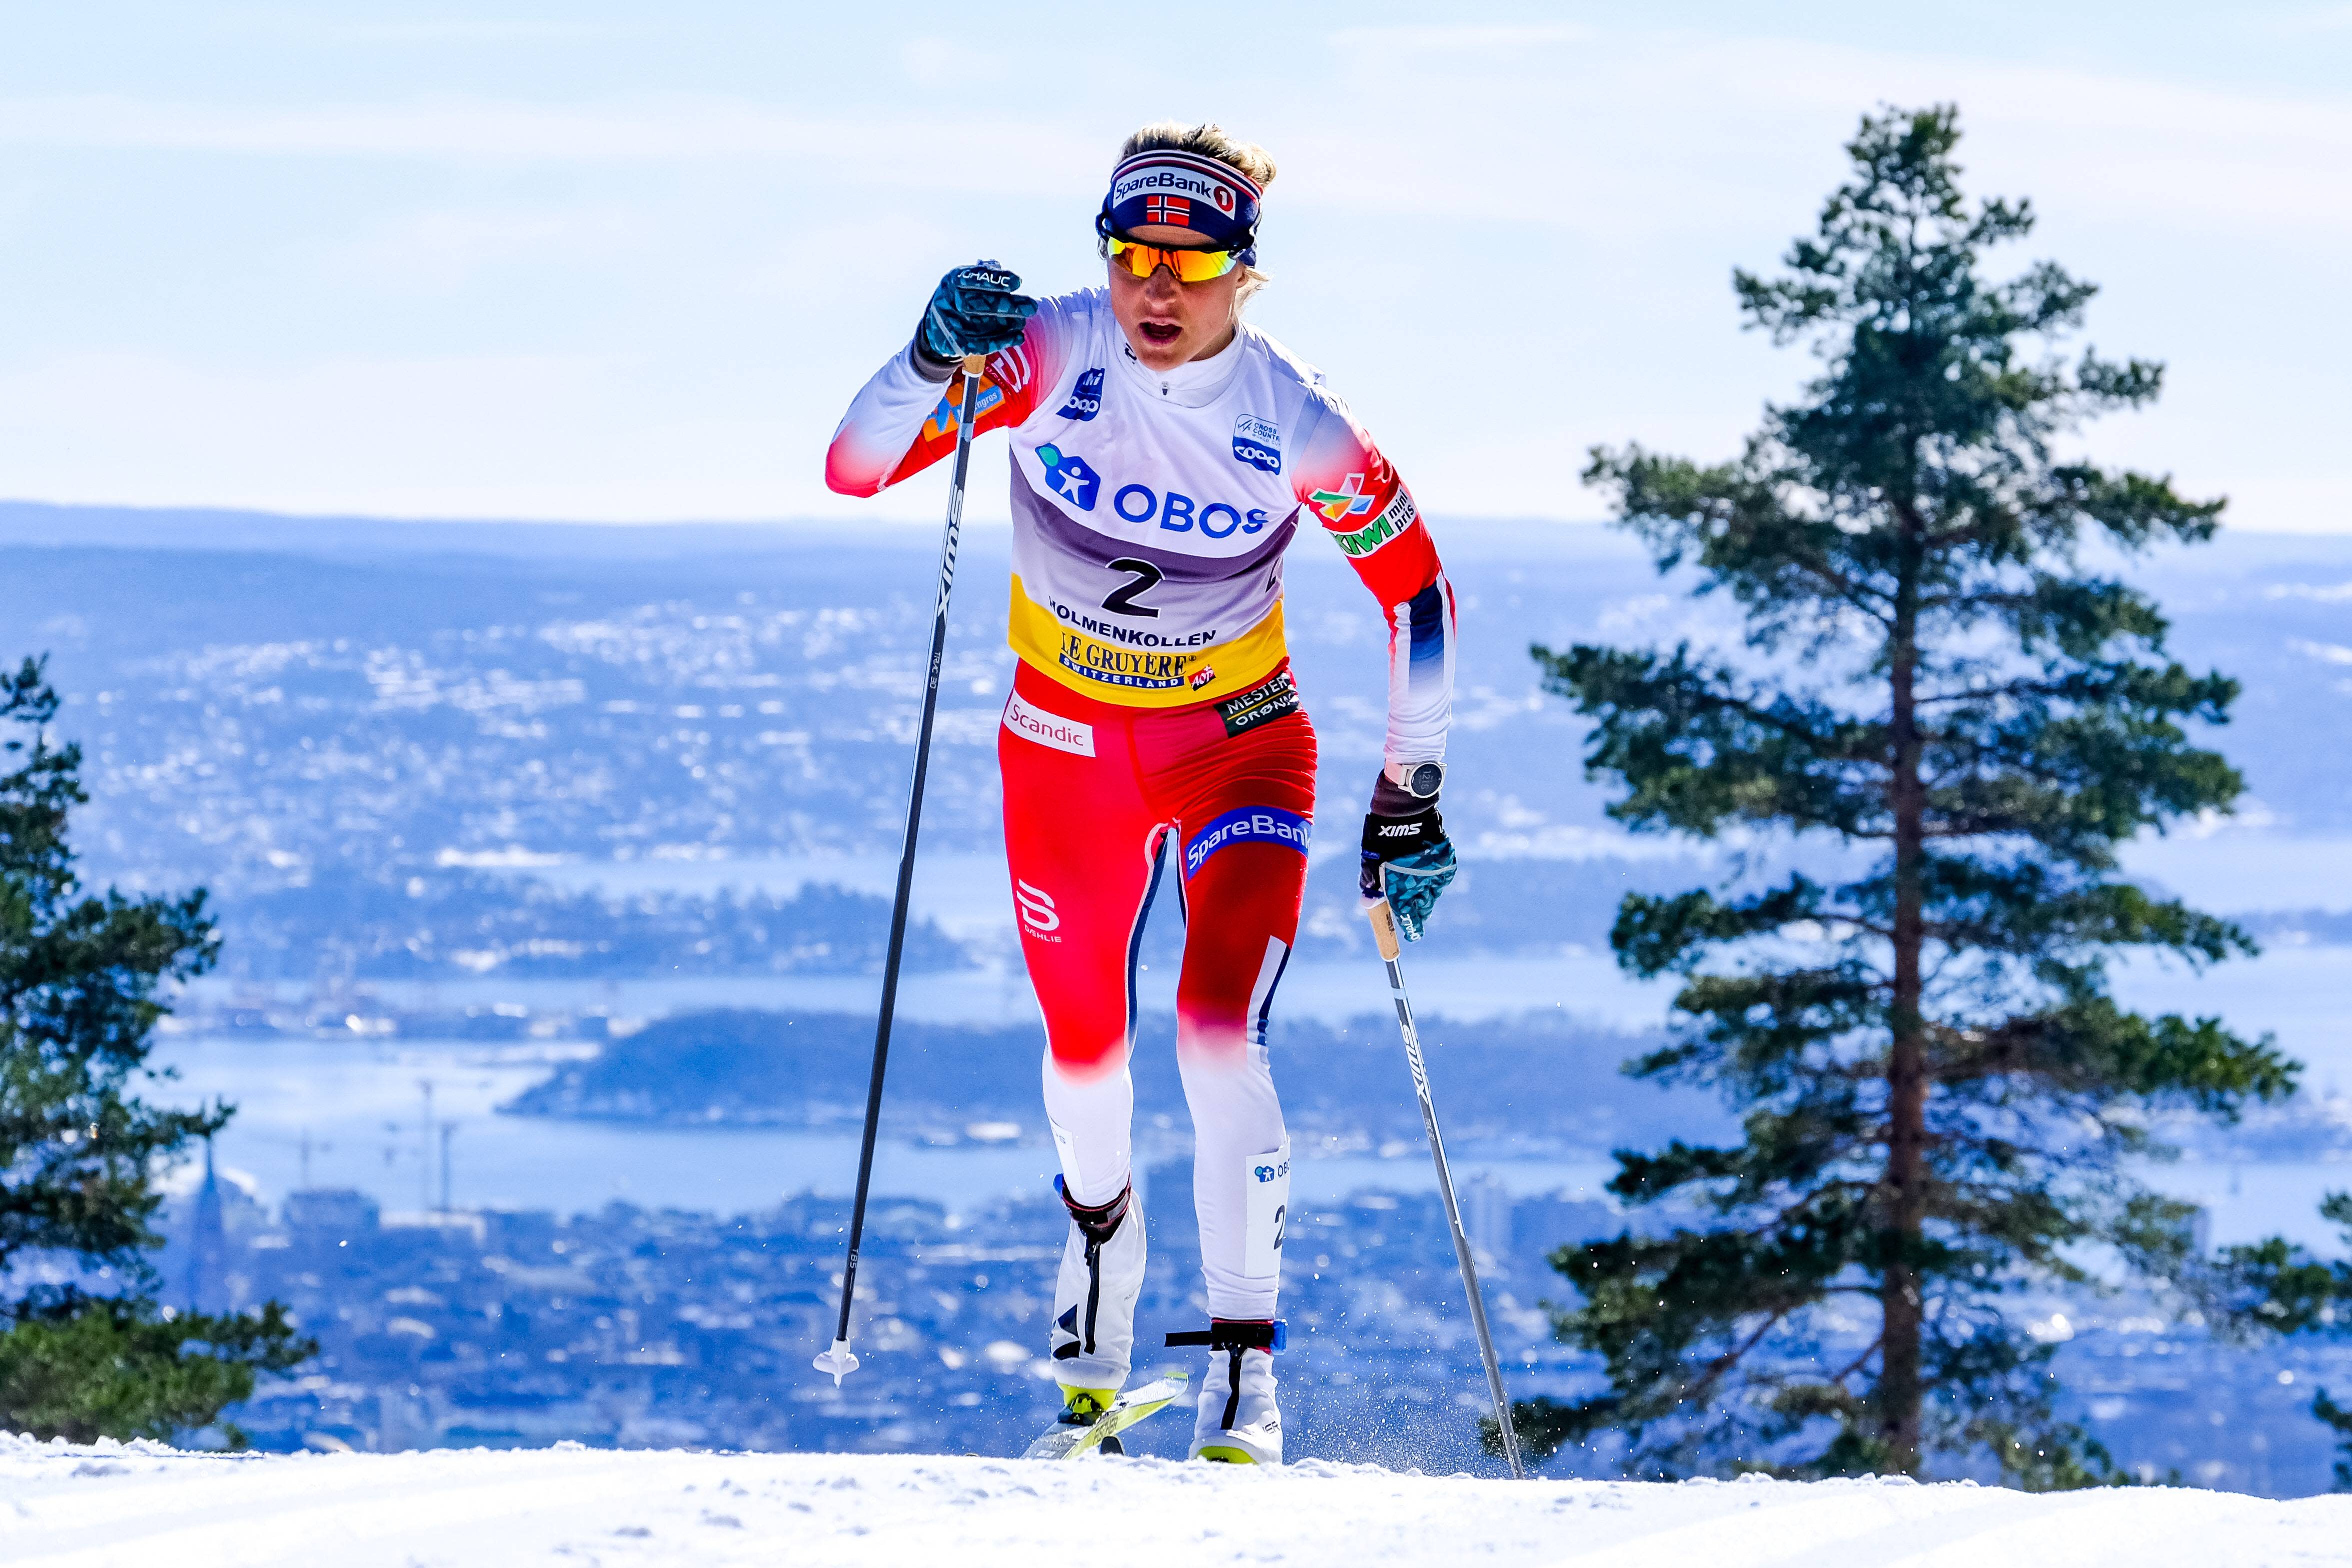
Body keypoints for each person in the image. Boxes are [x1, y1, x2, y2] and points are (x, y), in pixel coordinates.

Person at [825, 121, 1457, 1464]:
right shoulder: (1050, 351)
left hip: (1237, 741)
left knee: (1216, 1030)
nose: (1155, 291)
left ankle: (1244, 1370)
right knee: (1082, 1057)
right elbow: (857, 461)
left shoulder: (1291, 416)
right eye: (1130, 259)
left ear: (1244, 272)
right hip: (1064, 743)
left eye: (1189, 264)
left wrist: (1410, 791)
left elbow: (1417, 591)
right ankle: (1099, 1297)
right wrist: (930, 353)